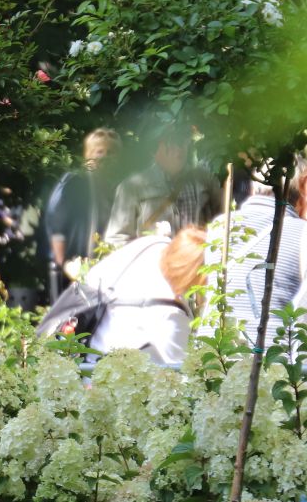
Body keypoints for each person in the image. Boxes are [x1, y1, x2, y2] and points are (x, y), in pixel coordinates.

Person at [82, 227, 207, 366]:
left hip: (88, 353)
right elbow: (181, 370)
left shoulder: (154, 243)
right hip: (117, 377)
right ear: (193, 276)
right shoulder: (170, 313)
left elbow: (93, 276)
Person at [216, 161, 307, 348]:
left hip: (219, 358)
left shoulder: (218, 229)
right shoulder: (302, 233)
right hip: (273, 364)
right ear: (303, 186)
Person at [104, 127, 220, 248]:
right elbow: (117, 239)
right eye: (171, 143)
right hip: (153, 264)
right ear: (154, 150)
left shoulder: (205, 180)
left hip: (198, 264)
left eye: (182, 142)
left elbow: (223, 223)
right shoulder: (132, 187)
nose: (179, 148)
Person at [45, 128, 120, 287]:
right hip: (77, 273)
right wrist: (65, 267)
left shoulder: (121, 188)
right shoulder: (74, 182)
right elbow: (56, 227)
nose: (106, 157)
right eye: (100, 152)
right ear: (88, 155)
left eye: (111, 152)